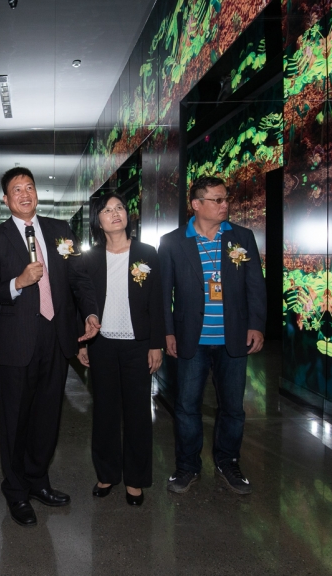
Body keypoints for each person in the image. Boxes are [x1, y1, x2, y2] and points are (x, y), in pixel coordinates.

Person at [0, 167, 99, 527]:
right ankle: (16, 489)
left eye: (29, 187)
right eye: (16, 189)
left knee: (48, 415)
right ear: (6, 199)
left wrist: (90, 313)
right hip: (19, 340)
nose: (25, 194)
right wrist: (18, 282)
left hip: (57, 336)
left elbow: (78, 276)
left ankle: (38, 480)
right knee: (16, 418)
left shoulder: (60, 230)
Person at [159, 175, 266, 495]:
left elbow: (255, 285)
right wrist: (167, 332)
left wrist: (256, 324)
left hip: (233, 338)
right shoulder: (173, 241)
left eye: (226, 198)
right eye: (217, 200)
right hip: (192, 339)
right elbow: (164, 293)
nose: (225, 204)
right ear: (196, 204)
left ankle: (228, 462)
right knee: (187, 406)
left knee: (233, 407)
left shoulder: (241, 237)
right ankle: (187, 466)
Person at [76, 193, 165, 507]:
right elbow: (81, 302)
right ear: (97, 221)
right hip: (101, 343)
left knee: (138, 412)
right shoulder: (90, 258)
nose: (115, 213)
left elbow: (157, 301)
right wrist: (82, 342)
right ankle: (107, 473)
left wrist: (156, 343)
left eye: (119, 208)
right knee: (105, 411)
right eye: (106, 210)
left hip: (137, 344)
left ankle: (136, 479)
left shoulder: (146, 253)